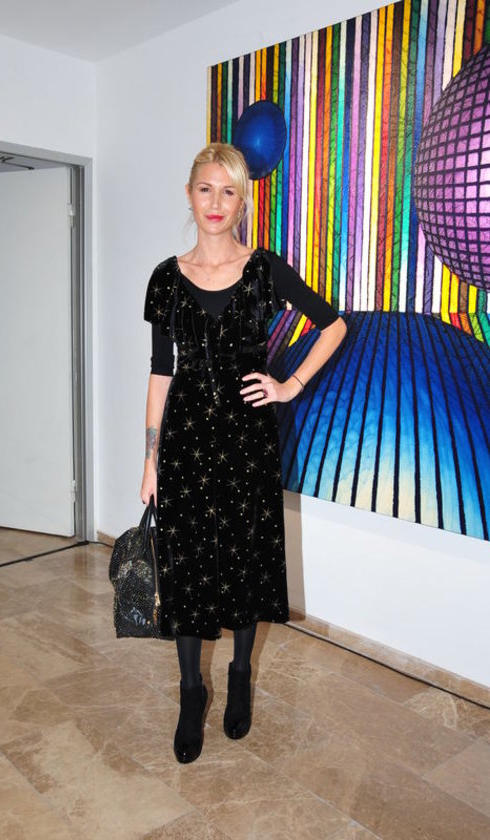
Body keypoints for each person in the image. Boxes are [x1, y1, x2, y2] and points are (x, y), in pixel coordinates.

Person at [141, 142, 346, 764]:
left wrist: (290, 385)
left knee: (247, 558)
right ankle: (191, 691)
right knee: (186, 564)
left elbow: (333, 325)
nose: (216, 202)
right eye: (205, 188)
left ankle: (238, 676)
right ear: (189, 195)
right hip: (184, 442)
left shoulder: (265, 270)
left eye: (228, 191)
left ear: (242, 202)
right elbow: (160, 371)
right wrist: (149, 458)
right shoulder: (165, 277)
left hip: (248, 441)